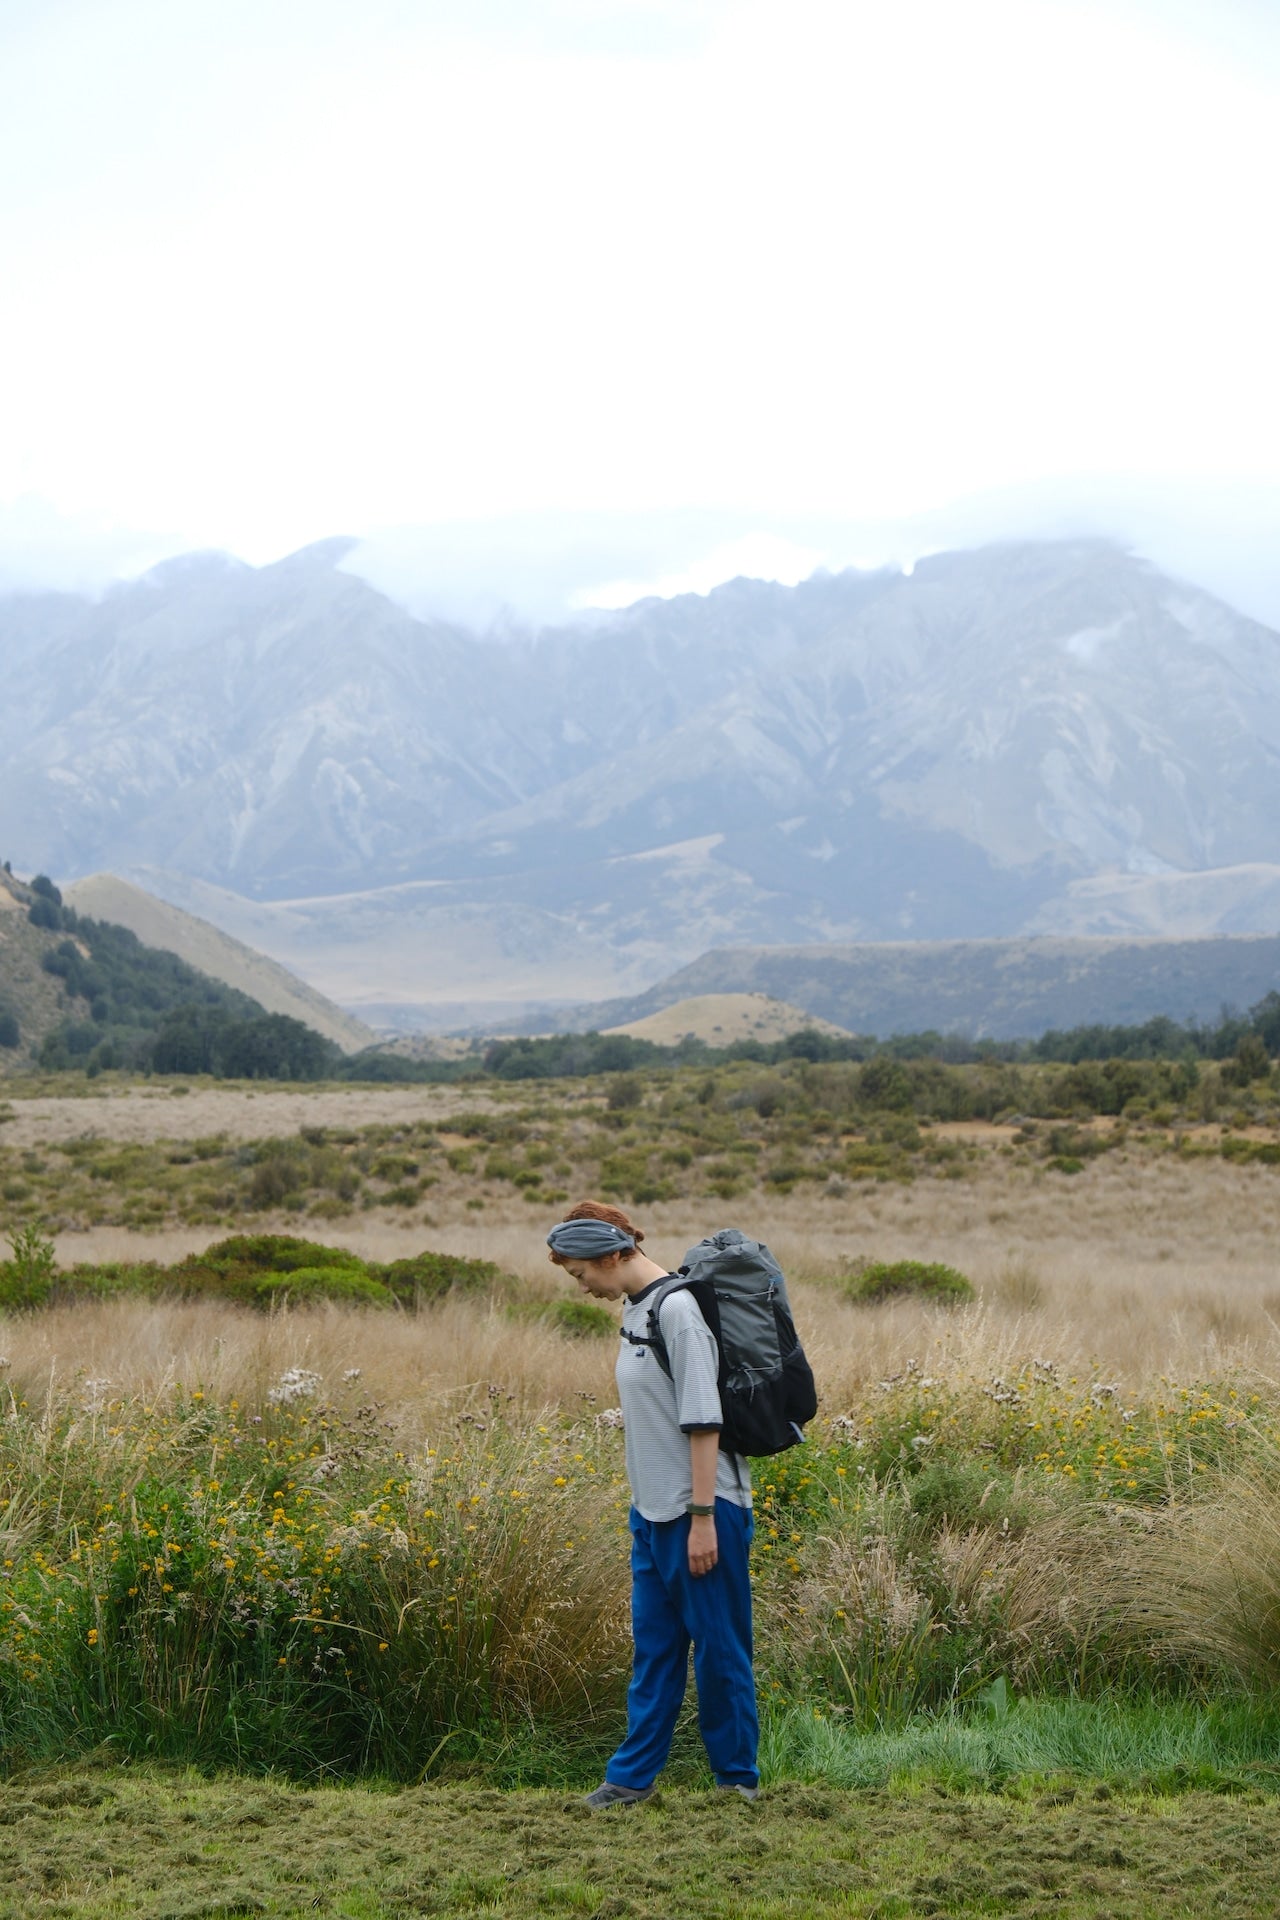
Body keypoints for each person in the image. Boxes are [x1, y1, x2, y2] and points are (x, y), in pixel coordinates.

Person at [546, 1198, 759, 1808]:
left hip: (703, 1510)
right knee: (655, 1651)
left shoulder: (680, 1311)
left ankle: (736, 1784)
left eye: (581, 1272)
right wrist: (649, 1514)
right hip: (653, 1513)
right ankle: (631, 1780)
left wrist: (699, 1521)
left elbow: (702, 1418)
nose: (581, 1285)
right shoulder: (637, 1310)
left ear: (613, 1254)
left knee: (719, 1650)